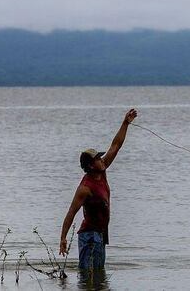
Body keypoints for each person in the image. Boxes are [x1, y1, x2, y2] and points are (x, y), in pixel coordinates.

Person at [58, 108, 138, 270]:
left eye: (100, 157)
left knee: (98, 276)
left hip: (100, 234)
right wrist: (63, 238)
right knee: (89, 275)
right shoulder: (85, 188)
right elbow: (71, 213)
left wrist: (125, 124)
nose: (102, 160)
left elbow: (115, 145)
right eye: (97, 159)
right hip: (89, 236)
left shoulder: (102, 170)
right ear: (90, 165)